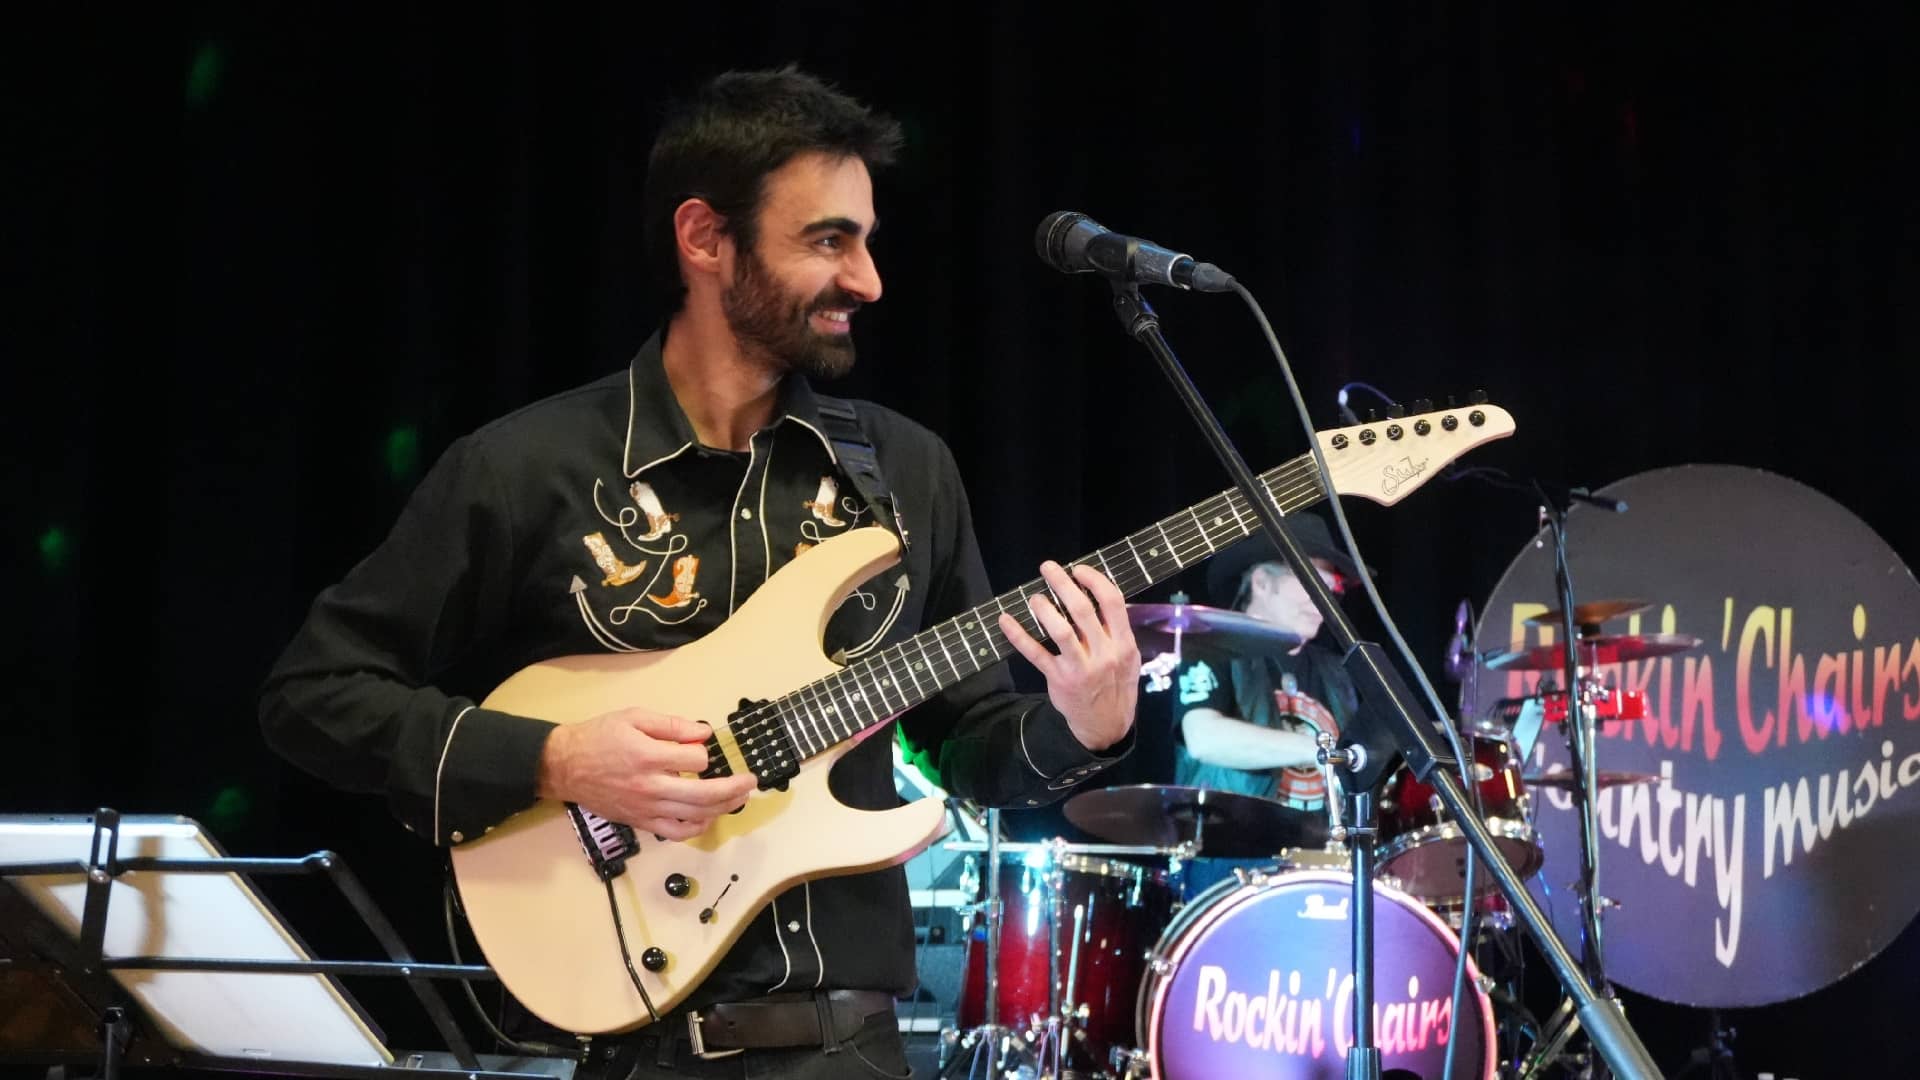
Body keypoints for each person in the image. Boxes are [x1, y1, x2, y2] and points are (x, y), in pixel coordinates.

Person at [258, 66, 1139, 1079]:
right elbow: (314, 695)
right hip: (636, 1048)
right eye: (827, 240)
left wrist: (1086, 723)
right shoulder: (526, 469)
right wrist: (554, 761)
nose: (868, 281)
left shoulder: (906, 472)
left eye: (866, 240)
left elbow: (967, 743)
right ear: (706, 239)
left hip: (850, 1050)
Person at [1170, 511, 1362, 897]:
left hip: (1322, 863)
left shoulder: (1338, 672)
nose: (1323, 600)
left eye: (1331, 587)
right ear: (1261, 582)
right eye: (1310, 583)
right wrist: (1323, 751)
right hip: (1229, 862)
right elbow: (1204, 737)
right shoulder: (1212, 645)